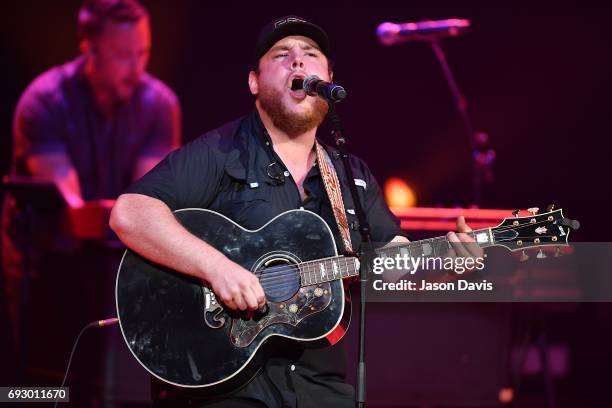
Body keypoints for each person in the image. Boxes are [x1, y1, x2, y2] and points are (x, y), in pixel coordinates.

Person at [110, 15, 480, 407]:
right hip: (223, 381)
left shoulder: (350, 174)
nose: (298, 63)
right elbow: (130, 213)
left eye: (310, 54)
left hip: (319, 383)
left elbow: (389, 259)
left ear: (329, 78)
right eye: (282, 54)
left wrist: (442, 261)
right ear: (254, 81)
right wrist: (218, 269)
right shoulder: (220, 152)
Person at [1, 0, 180, 401]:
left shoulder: (159, 104)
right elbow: (74, 215)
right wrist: (132, 215)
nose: (136, 68)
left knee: (112, 385)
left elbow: (147, 199)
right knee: (45, 382)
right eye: (122, 56)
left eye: (143, 54)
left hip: (112, 264)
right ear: (88, 47)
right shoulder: (43, 101)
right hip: (44, 263)